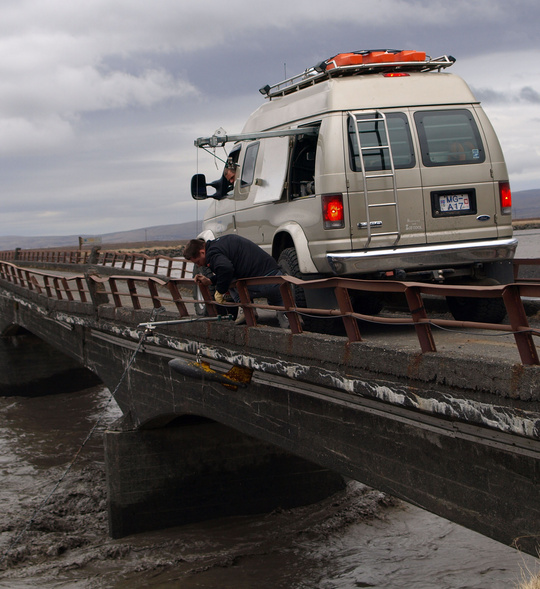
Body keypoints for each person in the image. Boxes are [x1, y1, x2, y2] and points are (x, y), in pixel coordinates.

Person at [184, 235, 289, 327]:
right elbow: (228, 269)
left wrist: (220, 291)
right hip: (276, 277)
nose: (199, 265)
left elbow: (226, 269)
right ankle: (294, 319)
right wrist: (210, 281)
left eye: (198, 262)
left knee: (231, 282)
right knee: (286, 310)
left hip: (262, 282)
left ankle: (248, 311)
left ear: (202, 252)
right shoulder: (221, 244)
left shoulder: (211, 254)